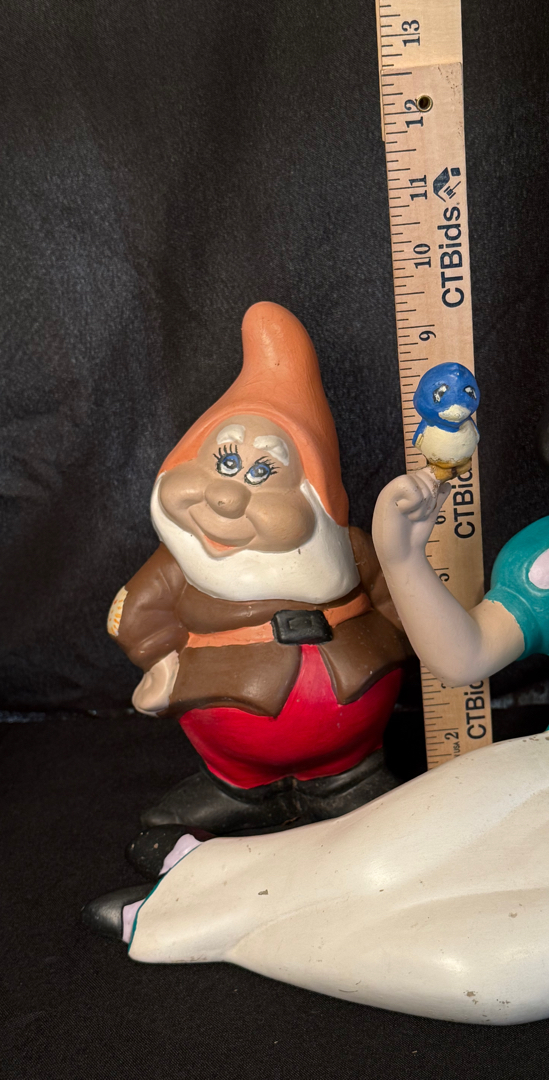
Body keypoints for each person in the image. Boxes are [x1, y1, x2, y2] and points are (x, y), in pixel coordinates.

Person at [85, 266, 549, 1025]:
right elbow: (463, 657)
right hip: (544, 772)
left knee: (486, 970)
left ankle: (237, 934)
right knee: (375, 849)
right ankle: (198, 887)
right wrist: (403, 556)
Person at [106, 302, 410, 843]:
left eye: (262, 472)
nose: (227, 497)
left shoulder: (351, 548)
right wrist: (163, 663)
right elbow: (136, 619)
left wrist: (401, 640)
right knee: (232, 777)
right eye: (224, 462)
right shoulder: (178, 565)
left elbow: (398, 600)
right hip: (229, 726)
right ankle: (241, 789)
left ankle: (349, 780)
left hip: (356, 715)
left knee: (378, 808)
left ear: (313, 493)